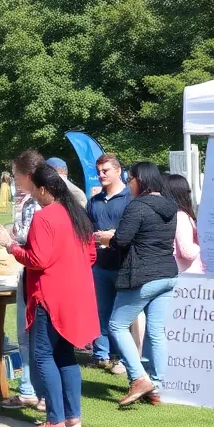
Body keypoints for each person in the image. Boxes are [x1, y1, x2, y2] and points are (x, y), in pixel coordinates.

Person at [0, 164, 98, 427]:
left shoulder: (45, 217)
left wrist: (10, 245)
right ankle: (72, 418)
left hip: (49, 296)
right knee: (65, 354)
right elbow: (91, 256)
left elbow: (37, 259)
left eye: (33, 190)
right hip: (76, 294)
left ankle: (55, 421)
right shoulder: (77, 214)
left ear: (42, 189)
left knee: (42, 354)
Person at [97, 162, 178, 407]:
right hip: (167, 274)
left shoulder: (137, 206)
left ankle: (139, 378)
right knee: (156, 332)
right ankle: (158, 387)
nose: (128, 183)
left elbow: (121, 240)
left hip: (142, 276)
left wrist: (107, 238)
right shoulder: (170, 205)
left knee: (116, 325)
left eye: (130, 178)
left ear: (140, 180)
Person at [0, 150, 46, 409]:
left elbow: (33, 240)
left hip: (38, 277)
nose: (13, 179)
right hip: (29, 273)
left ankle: (39, 393)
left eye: (16, 175)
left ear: (28, 175)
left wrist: (9, 241)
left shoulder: (39, 203)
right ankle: (30, 389)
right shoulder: (28, 202)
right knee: (27, 335)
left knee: (34, 336)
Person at [85, 153, 131, 375]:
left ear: (118, 171)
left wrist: (114, 235)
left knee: (122, 315)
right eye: (99, 172)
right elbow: (86, 229)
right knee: (100, 311)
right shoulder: (94, 201)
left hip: (124, 264)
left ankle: (122, 356)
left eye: (106, 171)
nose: (101, 175)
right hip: (99, 265)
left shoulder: (130, 198)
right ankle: (101, 354)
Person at [166, 174, 204, 274]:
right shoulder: (181, 217)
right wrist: (203, 245)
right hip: (188, 274)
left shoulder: (171, 215)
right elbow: (187, 252)